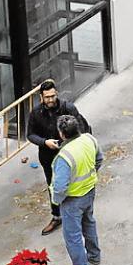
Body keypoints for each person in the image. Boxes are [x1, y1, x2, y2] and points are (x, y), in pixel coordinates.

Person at [27, 80, 93, 236]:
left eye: (52, 96)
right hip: (48, 155)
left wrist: (72, 145)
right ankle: (57, 216)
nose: (50, 100)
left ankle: (78, 213)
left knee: (74, 182)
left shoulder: (67, 108)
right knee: (53, 185)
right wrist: (45, 142)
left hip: (70, 154)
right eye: (47, 97)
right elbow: (30, 135)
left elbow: (82, 129)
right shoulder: (36, 113)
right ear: (41, 97)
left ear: (56, 93)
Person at [51, 114, 103, 265]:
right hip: (89, 191)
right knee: (89, 223)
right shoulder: (89, 139)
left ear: (62, 134)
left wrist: (56, 200)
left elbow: (60, 187)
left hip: (72, 200)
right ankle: (94, 255)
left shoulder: (64, 156)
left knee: (72, 236)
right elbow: (99, 159)